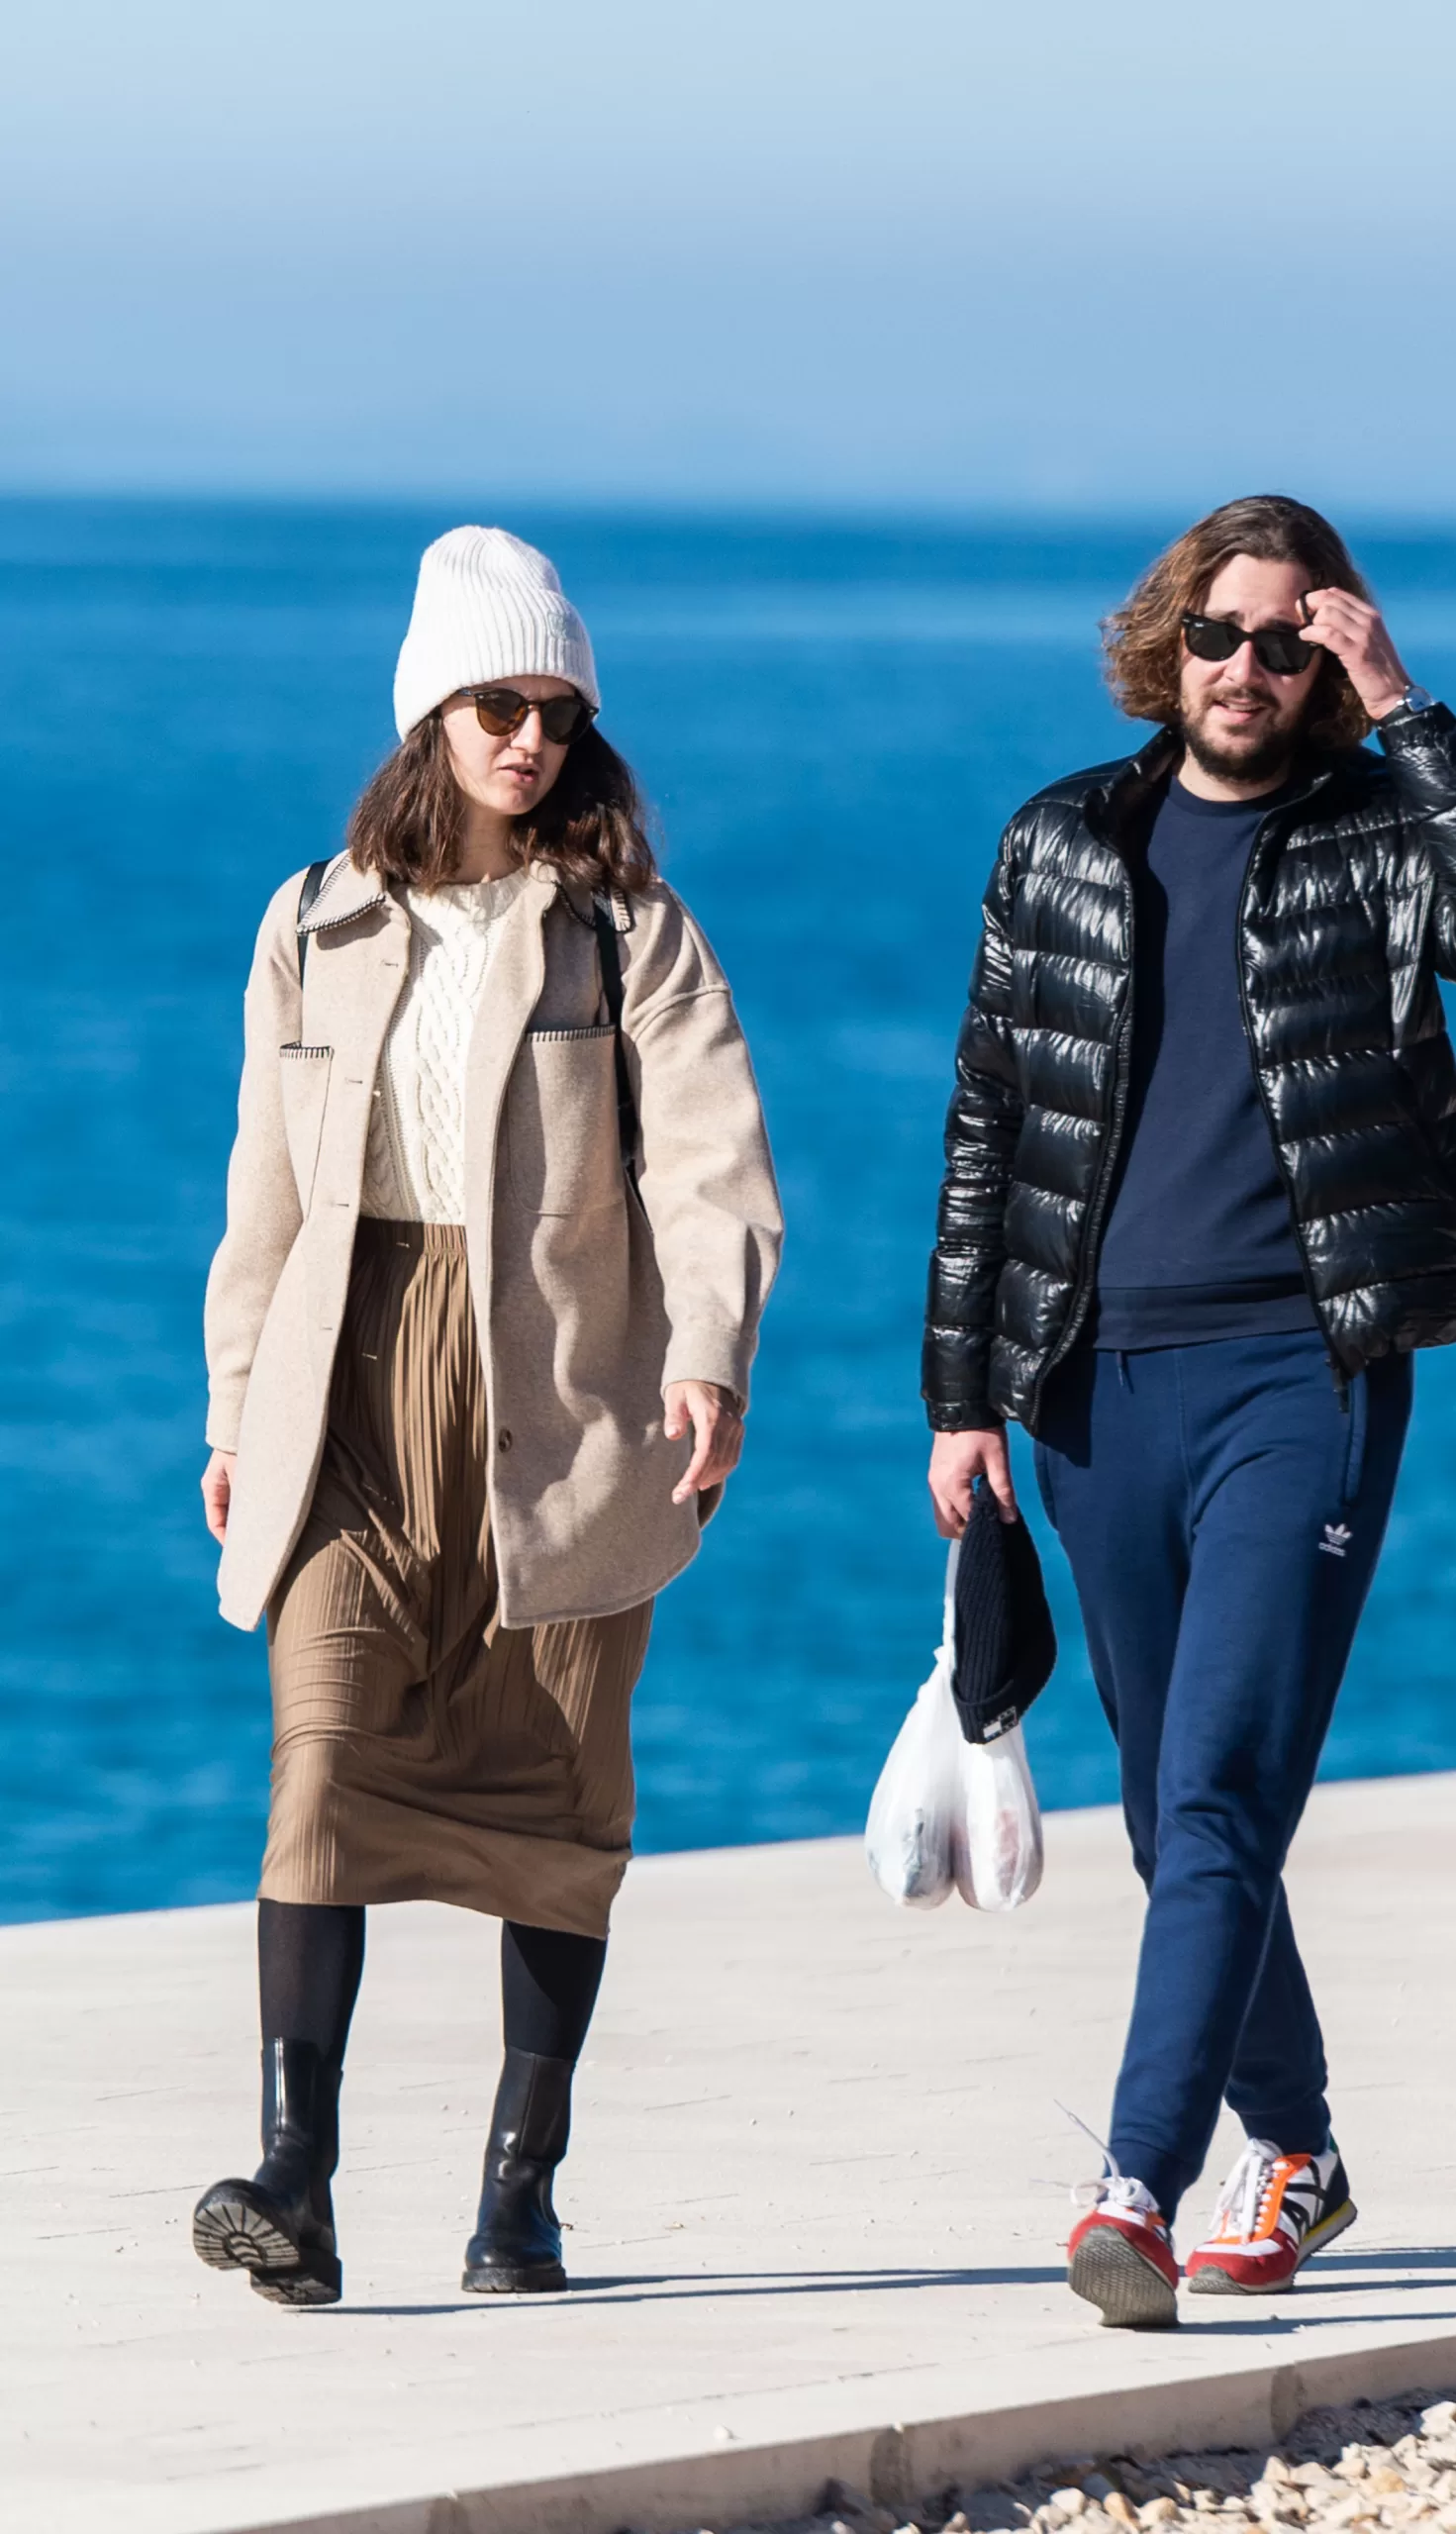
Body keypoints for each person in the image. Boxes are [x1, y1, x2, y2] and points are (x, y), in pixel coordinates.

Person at [922, 495, 1456, 2329]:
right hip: (1091, 1385)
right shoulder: (1063, 838)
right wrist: (963, 1395)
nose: (1245, 668)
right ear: (1171, 639)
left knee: (1219, 1785)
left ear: (1327, 660)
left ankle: (1132, 2184)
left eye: (1290, 643)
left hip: (1305, 1370)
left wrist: (1408, 709)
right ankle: (1293, 2146)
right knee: (1168, 1812)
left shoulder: (1377, 825)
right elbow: (989, 1120)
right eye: (1219, 634)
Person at [192, 526, 782, 2306]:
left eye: (558, 712)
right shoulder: (312, 918)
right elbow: (263, 1193)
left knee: (557, 1797)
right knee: (318, 1764)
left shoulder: (629, 932)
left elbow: (709, 1165)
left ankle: (519, 2197)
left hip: (566, 1400)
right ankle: (294, 2181)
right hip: (350, 1388)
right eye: (496, 705)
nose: (531, 739)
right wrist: (232, 1408)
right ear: (429, 715)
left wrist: (706, 1354)